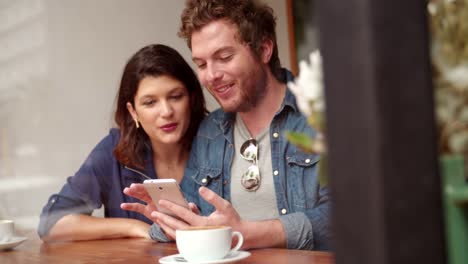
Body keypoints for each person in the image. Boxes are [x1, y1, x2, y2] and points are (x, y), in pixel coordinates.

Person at [123, 0, 330, 250]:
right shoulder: (210, 131)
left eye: (224, 57)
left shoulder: (323, 115)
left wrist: (254, 234)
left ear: (264, 49)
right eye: (201, 64)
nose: (211, 75)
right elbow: (195, 215)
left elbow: (352, 214)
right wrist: (170, 216)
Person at [37, 44, 207, 242]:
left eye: (176, 97)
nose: (167, 111)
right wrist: (135, 227)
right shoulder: (114, 149)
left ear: (192, 98)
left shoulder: (217, 142)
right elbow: (52, 224)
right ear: (133, 111)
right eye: (150, 102)